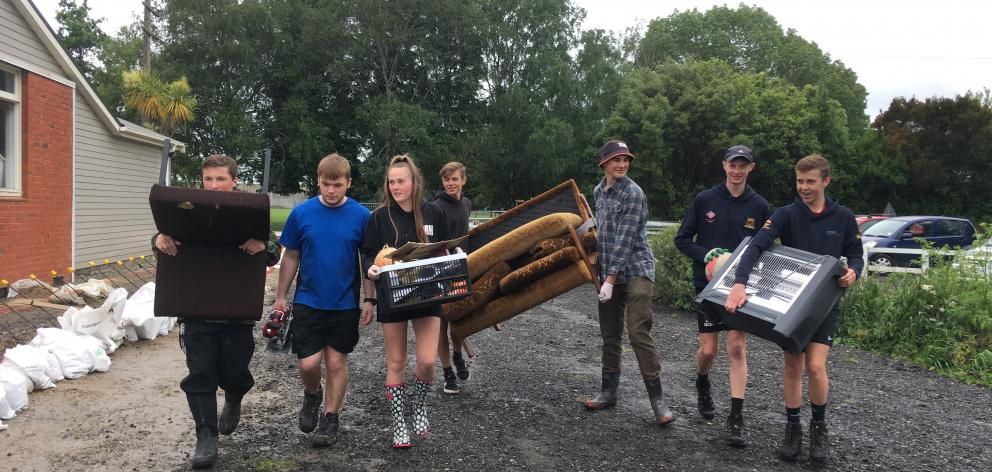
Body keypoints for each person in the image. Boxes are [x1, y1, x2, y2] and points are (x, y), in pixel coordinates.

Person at [724, 154, 863, 463]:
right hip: (791, 301)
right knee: (792, 366)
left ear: (825, 181)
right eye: (799, 181)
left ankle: (818, 428)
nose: (804, 187)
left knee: (814, 366)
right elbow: (756, 246)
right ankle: (792, 429)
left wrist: (854, 270)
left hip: (825, 303)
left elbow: (855, 255)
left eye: (810, 182)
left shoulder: (843, 217)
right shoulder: (786, 214)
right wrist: (739, 282)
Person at [153, 154, 281, 469]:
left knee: (234, 373)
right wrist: (157, 238)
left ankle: (235, 395)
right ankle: (206, 437)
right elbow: (164, 237)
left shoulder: (249, 212)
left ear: (233, 181)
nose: (213, 185)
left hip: (236, 314)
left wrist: (261, 244)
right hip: (197, 313)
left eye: (220, 179)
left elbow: (275, 249)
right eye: (208, 179)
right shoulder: (188, 210)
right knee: (200, 374)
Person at [273, 154, 375, 447]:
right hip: (308, 301)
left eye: (338, 185)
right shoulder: (302, 214)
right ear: (318, 181)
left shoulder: (361, 216)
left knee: (335, 361)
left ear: (348, 183)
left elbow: (366, 260)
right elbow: (291, 255)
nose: (331, 191)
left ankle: (330, 418)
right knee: (309, 363)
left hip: (344, 304)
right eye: (326, 184)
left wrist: (369, 299)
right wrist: (281, 296)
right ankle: (312, 394)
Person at [674, 145, 771, 447]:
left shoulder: (760, 206)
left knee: (736, 348)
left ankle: (736, 418)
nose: (737, 170)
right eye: (733, 164)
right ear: (724, 166)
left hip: (740, 286)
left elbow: (768, 247)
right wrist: (706, 256)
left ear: (750, 168)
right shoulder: (705, 200)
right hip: (707, 285)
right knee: (709, 351)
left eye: (743, 165)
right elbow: (682, 239)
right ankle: (702, 381)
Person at [361, 154, 451, 448]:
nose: (396, 186)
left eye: (401, 181)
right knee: (396, 360)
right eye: (391, 182)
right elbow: (367, 253)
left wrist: (449, 261)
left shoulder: (433, 213)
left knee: (426, 361)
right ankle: (399, 421)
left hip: (427, 295)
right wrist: (370, 271)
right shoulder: (379, 217)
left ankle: (420, 405)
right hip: (393, 297)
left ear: (414, 182)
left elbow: (445, 250)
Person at [584, 140, 673, 426]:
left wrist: (609, 280)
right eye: (616, 160)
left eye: (626, 160)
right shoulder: (599, 191)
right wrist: (596, 263)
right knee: (609, 334)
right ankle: (608, 391)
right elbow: (602, 232)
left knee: (637, 332)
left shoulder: (633, 194)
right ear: (604, 164)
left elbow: (624, 240)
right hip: (609, 270)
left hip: (635, 269)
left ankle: (658, 401)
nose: (622, 165)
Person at [431, 161, 472, 395]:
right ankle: (447, 373)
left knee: (459, 318)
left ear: (463, 180)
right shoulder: (436, 207)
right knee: (441, 323)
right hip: (440, 271)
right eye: (447, 179)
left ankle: (457, 355)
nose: (450, 183)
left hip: (461, 269)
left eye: (455, 179)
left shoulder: (466, 203)